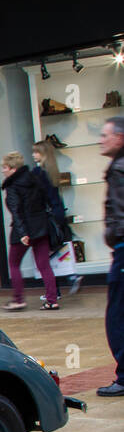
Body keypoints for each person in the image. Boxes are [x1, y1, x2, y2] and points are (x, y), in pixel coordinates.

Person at [0, 152, 58, 311]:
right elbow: (46, 200)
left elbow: (16, 211)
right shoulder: (35, 178)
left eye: (5, 167)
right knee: (44, 265)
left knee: (14, 263)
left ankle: (18, 299)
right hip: (41, 226)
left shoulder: (12, 186)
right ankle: (52, 300)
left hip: (23, 230)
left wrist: (23, 233)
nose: (3, 171)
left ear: (12, 168)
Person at [32, 140, 81, 298]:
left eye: (36, 152)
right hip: (57, 214)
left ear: (43, 154)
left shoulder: (39, 173)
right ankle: (68, 278)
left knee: (45, 256)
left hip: (47, 218)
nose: (34, 155)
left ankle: (56, 290)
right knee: (56, 252)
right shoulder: (52, 171)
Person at [99, 116, 124, 396]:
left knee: (117, 314)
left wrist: (116, 239)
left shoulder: (118, 169)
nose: (101, 139)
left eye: (106, 135)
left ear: (119, 137)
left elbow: (121, 214)